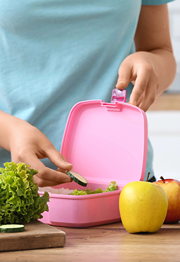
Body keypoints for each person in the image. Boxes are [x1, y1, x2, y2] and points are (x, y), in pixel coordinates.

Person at [0, 0, 176, 187]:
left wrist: (151, 63)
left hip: (126, 184)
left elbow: (160, 50)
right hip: (15, 186)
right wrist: (9, 132)